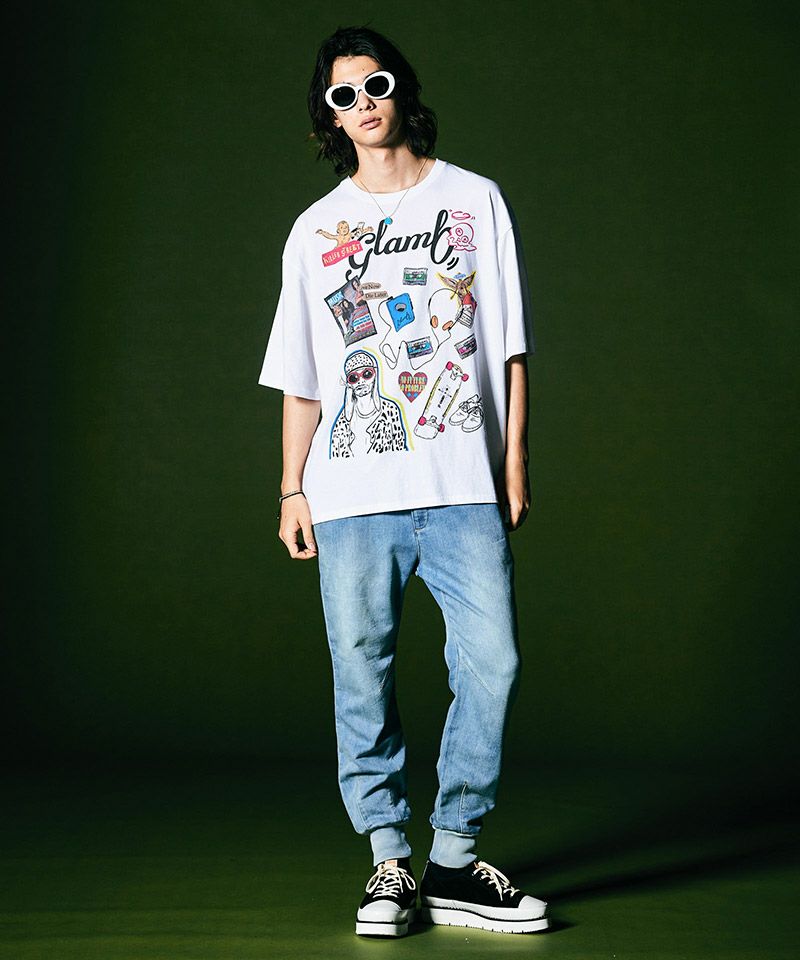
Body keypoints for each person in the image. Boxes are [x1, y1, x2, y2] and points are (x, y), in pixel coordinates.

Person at [258, 25, 549, 938]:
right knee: (361, 672)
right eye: (342, 95)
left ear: (399, 90)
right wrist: (291, 487)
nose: (363, 104)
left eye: (375, 84)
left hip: (461, 483)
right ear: (330, 117)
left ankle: (453, 860)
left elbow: (509, 343)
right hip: (350, 494)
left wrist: (513, 459)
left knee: (493, 661)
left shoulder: (474, 200)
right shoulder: (315, 230)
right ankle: (389, 861)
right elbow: (304, 377)